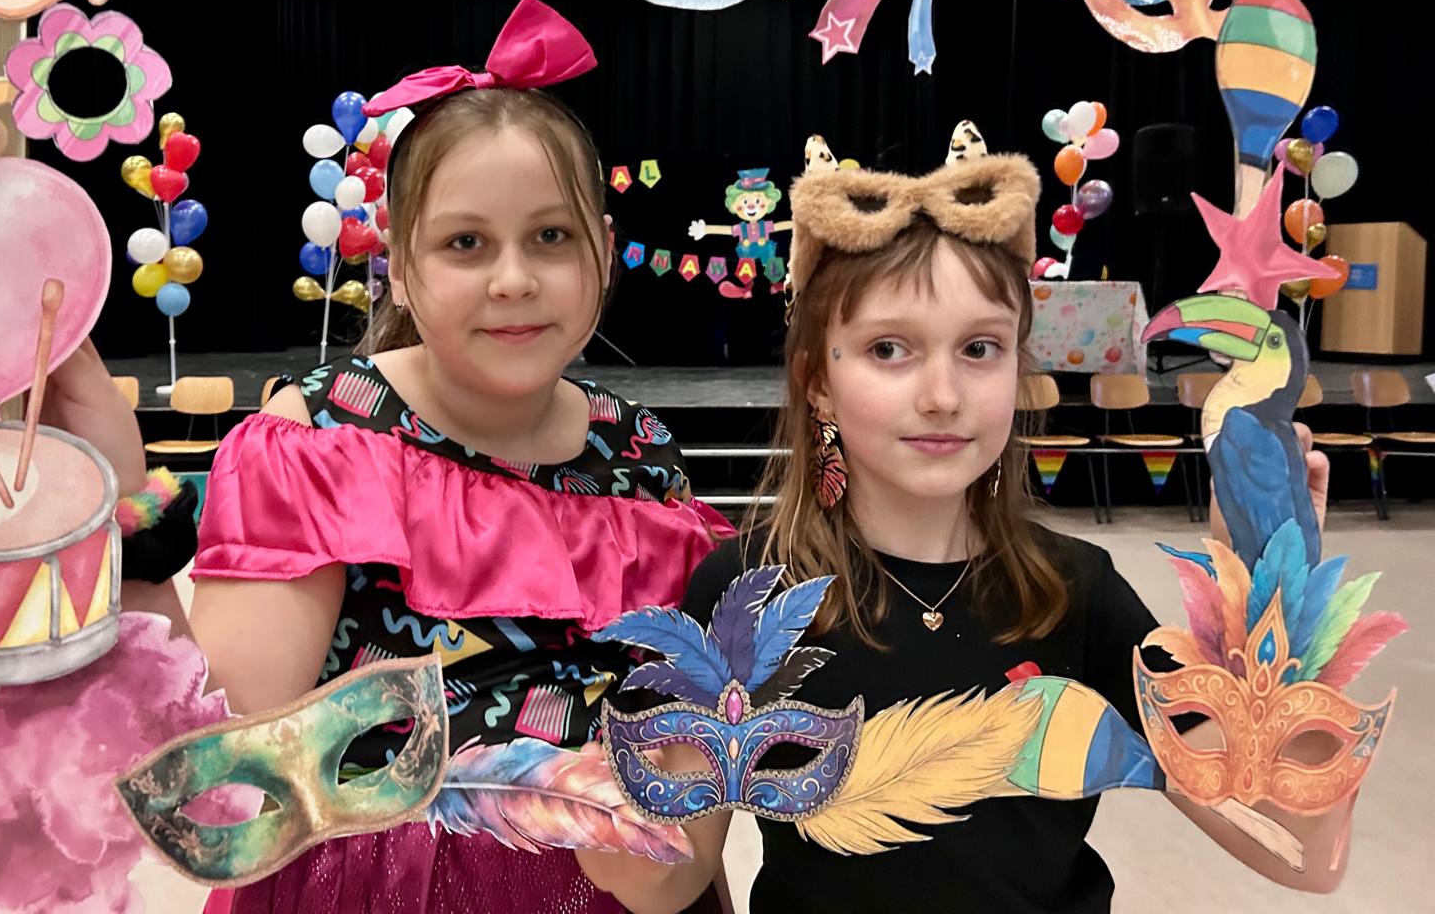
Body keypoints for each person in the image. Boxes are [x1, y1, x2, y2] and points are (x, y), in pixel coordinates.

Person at [42, 0, 732, 912]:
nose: (514, 279)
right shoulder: (327, 436)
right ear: (400, 266)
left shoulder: (643, 460)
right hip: (369, 888)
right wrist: (126, 503)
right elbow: (225, 755)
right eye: (464, 243)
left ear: (604, 252)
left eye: (552, 237)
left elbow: (680, 782)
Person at [578, 155, 1351, 913]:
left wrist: (1277, 608)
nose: (943, 395)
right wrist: (603, 817)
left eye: (979, 349)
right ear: (819, 380)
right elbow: (671, 878)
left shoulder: (1078, 595)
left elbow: (1301, 852)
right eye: (889, 350)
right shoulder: (747, 595)